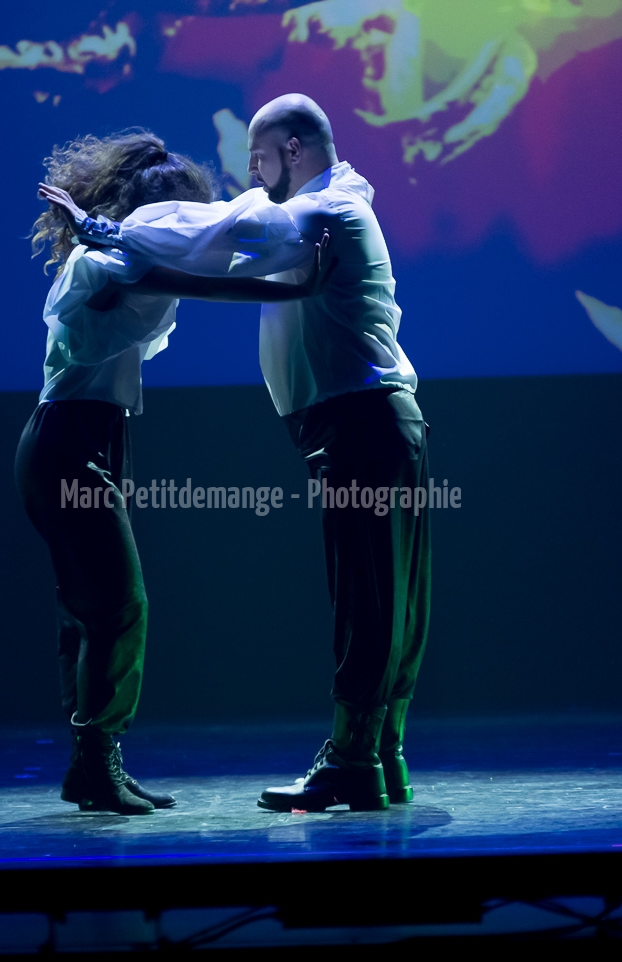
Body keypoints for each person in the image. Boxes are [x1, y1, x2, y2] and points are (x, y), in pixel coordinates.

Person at [94, 95, 430, 813]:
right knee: (386, 596)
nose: (251, 171)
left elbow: (222, 231)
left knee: (370, 598)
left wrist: (113, 230)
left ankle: (356, 760)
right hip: (367, 425)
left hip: (361, 426)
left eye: (259, 156)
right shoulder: (321, 212)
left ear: (295, 149)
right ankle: (380, 756)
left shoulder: (321, 213)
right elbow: (236, 243)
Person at [21, 129, 333, 815]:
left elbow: (191, 269)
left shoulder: (121, 255)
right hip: (67, 442)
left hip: (98, 437)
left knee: (89, 611)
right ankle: (96, 761)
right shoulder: (104, 266)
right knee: (118, 606)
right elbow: (195, 281)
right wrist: (300, 287)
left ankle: (91, 765)